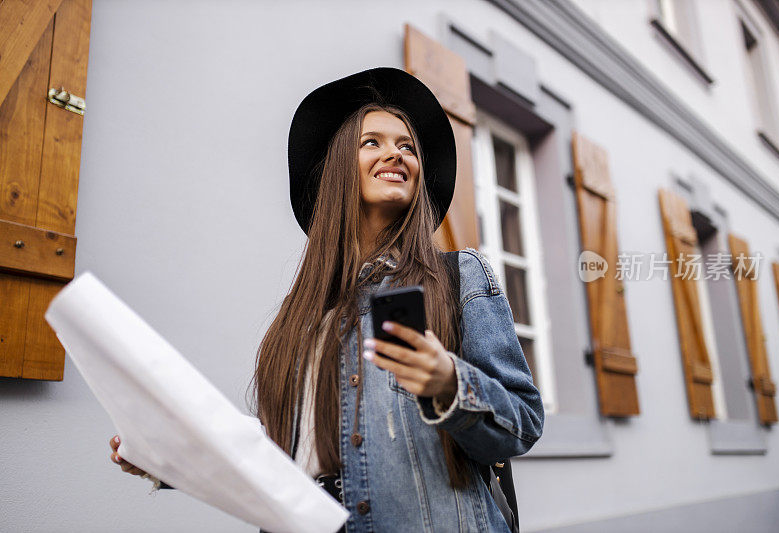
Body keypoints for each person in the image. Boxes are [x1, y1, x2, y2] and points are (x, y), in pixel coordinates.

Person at [109, 67, 544, 532]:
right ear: (340, 168)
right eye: (371, 142)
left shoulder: (458, 278)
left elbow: (523, 420)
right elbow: (278, 455)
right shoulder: (301, 320)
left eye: (407, 146)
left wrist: (448, 383)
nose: (395, 153)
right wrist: (169, 459)